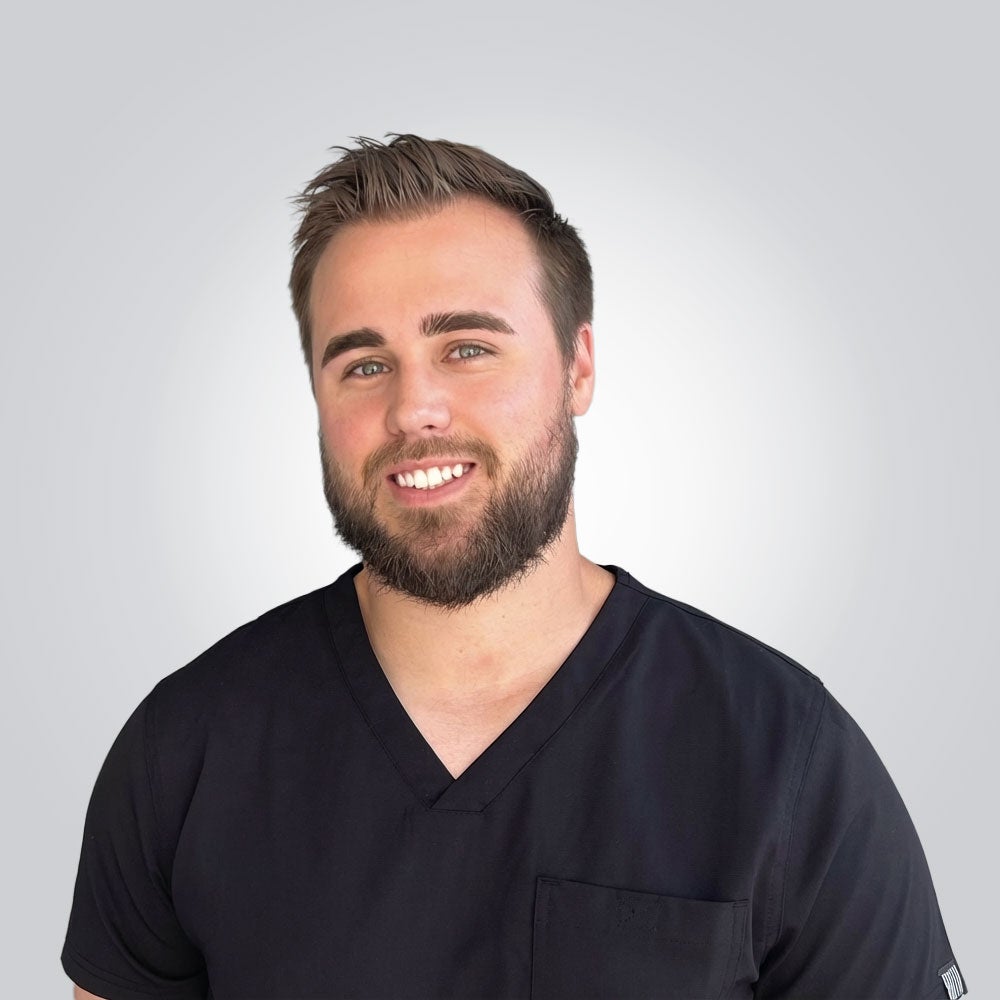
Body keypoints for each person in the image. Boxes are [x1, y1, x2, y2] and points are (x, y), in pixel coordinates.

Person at [63, 135, 966, 1000]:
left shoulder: (786, 758)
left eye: (467, 348)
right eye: (365, 364)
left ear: (578, 368)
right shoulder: (184, 754)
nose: (415, 410)